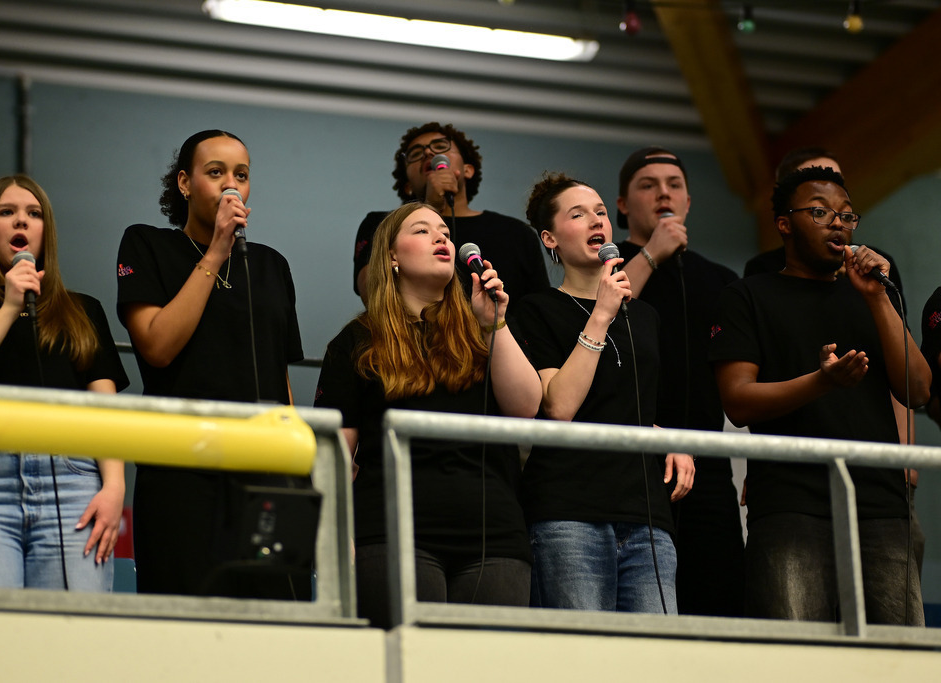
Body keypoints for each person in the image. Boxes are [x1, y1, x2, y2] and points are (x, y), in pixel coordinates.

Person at [710, 166, 930, 624]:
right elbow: (737, 399)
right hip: (791, 502)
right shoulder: (747, 296)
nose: (838, 223)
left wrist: (877, 298)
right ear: (784, 224)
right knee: (796, 658)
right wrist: (822, 382)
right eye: (820, 211)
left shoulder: (871, 294)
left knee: (897, 658)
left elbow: (920, 389)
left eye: (848, 216)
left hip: (880, 503)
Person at [316, 202, 541, 628]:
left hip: (492, 534)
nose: (441, 237)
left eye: (444, 231)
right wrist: (335, 533)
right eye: (422, 230)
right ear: (392, 258)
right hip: (390, 532)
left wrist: (495, 323)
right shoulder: (356, 340)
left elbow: (526, 407)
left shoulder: (482, 327)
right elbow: (335, 458)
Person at [116, 129, 306, 597]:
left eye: (240, 175)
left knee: (273, 623)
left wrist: (297, 468)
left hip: (262, 472)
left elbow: (279, 379)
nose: (230, 186)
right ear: (184, 183)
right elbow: (157, 346)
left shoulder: (270, 265)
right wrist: (218, 249)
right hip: (181, 472)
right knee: (185, 620)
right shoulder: (147, 245)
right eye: (215, 172)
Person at [0, 174, 128, 590]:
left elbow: (106, 408)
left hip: (73, 483)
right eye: (7, 212)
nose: (22, 222)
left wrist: (115, 486)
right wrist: (9, 307)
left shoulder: (83, 309)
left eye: (34, 214)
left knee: (72, 635)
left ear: (46, 231)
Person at [511, 172, 693, 613]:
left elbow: (633, 404)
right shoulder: (535, 311)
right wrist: (601, 314)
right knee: (582, 660)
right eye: (578, 214)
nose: (596, 221)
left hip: (646, 515)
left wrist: (668, 437)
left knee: (654, 661)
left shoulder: (644, 317)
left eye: (599, 212)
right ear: (550, 238)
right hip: (568, 512)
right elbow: (558, 406)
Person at [613, 147, 744, 617]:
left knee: (720, 608)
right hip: (631, 466)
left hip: (708, 469)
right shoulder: (606, 269)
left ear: (688, 201)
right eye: (648, 184)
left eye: (674, 184)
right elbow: (598, 326)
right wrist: (650, 255)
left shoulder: (722, 280)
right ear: (623, 205)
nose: (663, 192)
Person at [352, 122, 549, 306]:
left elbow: (538, 313)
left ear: (467, 170)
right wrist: (431, 207)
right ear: (408, 186)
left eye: (440, 146)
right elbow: (373, 295)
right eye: (415, 153)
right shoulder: (380, 224)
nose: (428, 152)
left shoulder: (515, 233)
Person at [743, 146, 904, 298]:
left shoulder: (875, 265)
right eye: (815, 181)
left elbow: (900, 326)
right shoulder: (764, 268)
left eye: (836, 181)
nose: (829, 187)